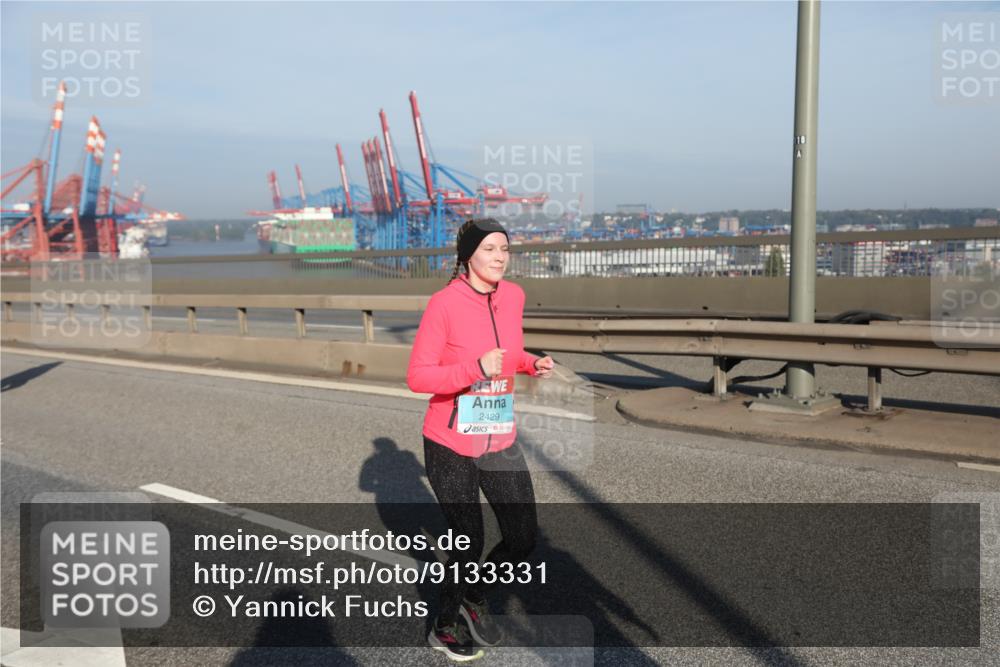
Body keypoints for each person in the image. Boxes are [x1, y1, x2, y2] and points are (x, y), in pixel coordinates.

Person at [407, 218, 555, 661]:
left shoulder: (513, 297)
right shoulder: (444, 304)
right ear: (468, 255)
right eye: (490, 249)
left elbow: (507, 351)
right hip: (450, 442)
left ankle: (474, 594)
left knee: (524, 537)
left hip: (500, 437)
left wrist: (530, 364)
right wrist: (475, 368)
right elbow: (418, 376)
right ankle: (445, 623)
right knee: (467, 540)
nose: (499, 258)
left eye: (505, 250)